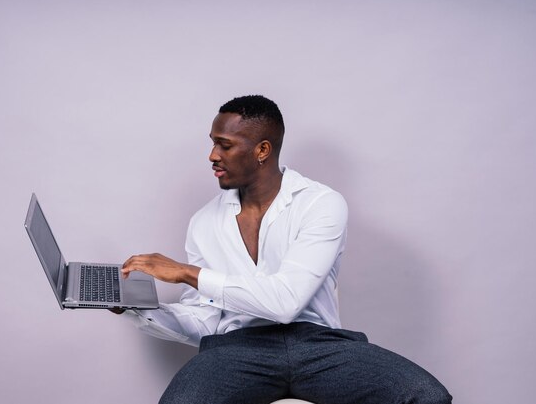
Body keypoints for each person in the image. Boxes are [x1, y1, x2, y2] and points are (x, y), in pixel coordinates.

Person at [117, 95, 452, 404]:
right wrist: (137, 308)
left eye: (225, 145)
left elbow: (285, 303)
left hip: (319, 347)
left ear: (262, 150)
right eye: (213, 143)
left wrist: (188, 274)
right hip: (237, 349)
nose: (213, 155)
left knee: (426, 396)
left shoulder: (320, 204)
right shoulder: (204, 222)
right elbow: (205, 321)